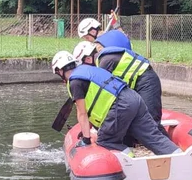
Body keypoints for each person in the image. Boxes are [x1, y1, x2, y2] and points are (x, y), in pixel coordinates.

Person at [51, 51, 179, 155]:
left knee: (106, 140)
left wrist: (86, 139)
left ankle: (131, 161)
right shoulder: (88, 70)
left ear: (59, 71)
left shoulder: (74, 82)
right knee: (153, 137)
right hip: (134, 98)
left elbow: (82, 113)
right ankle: (179, 157)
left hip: (121, 106)